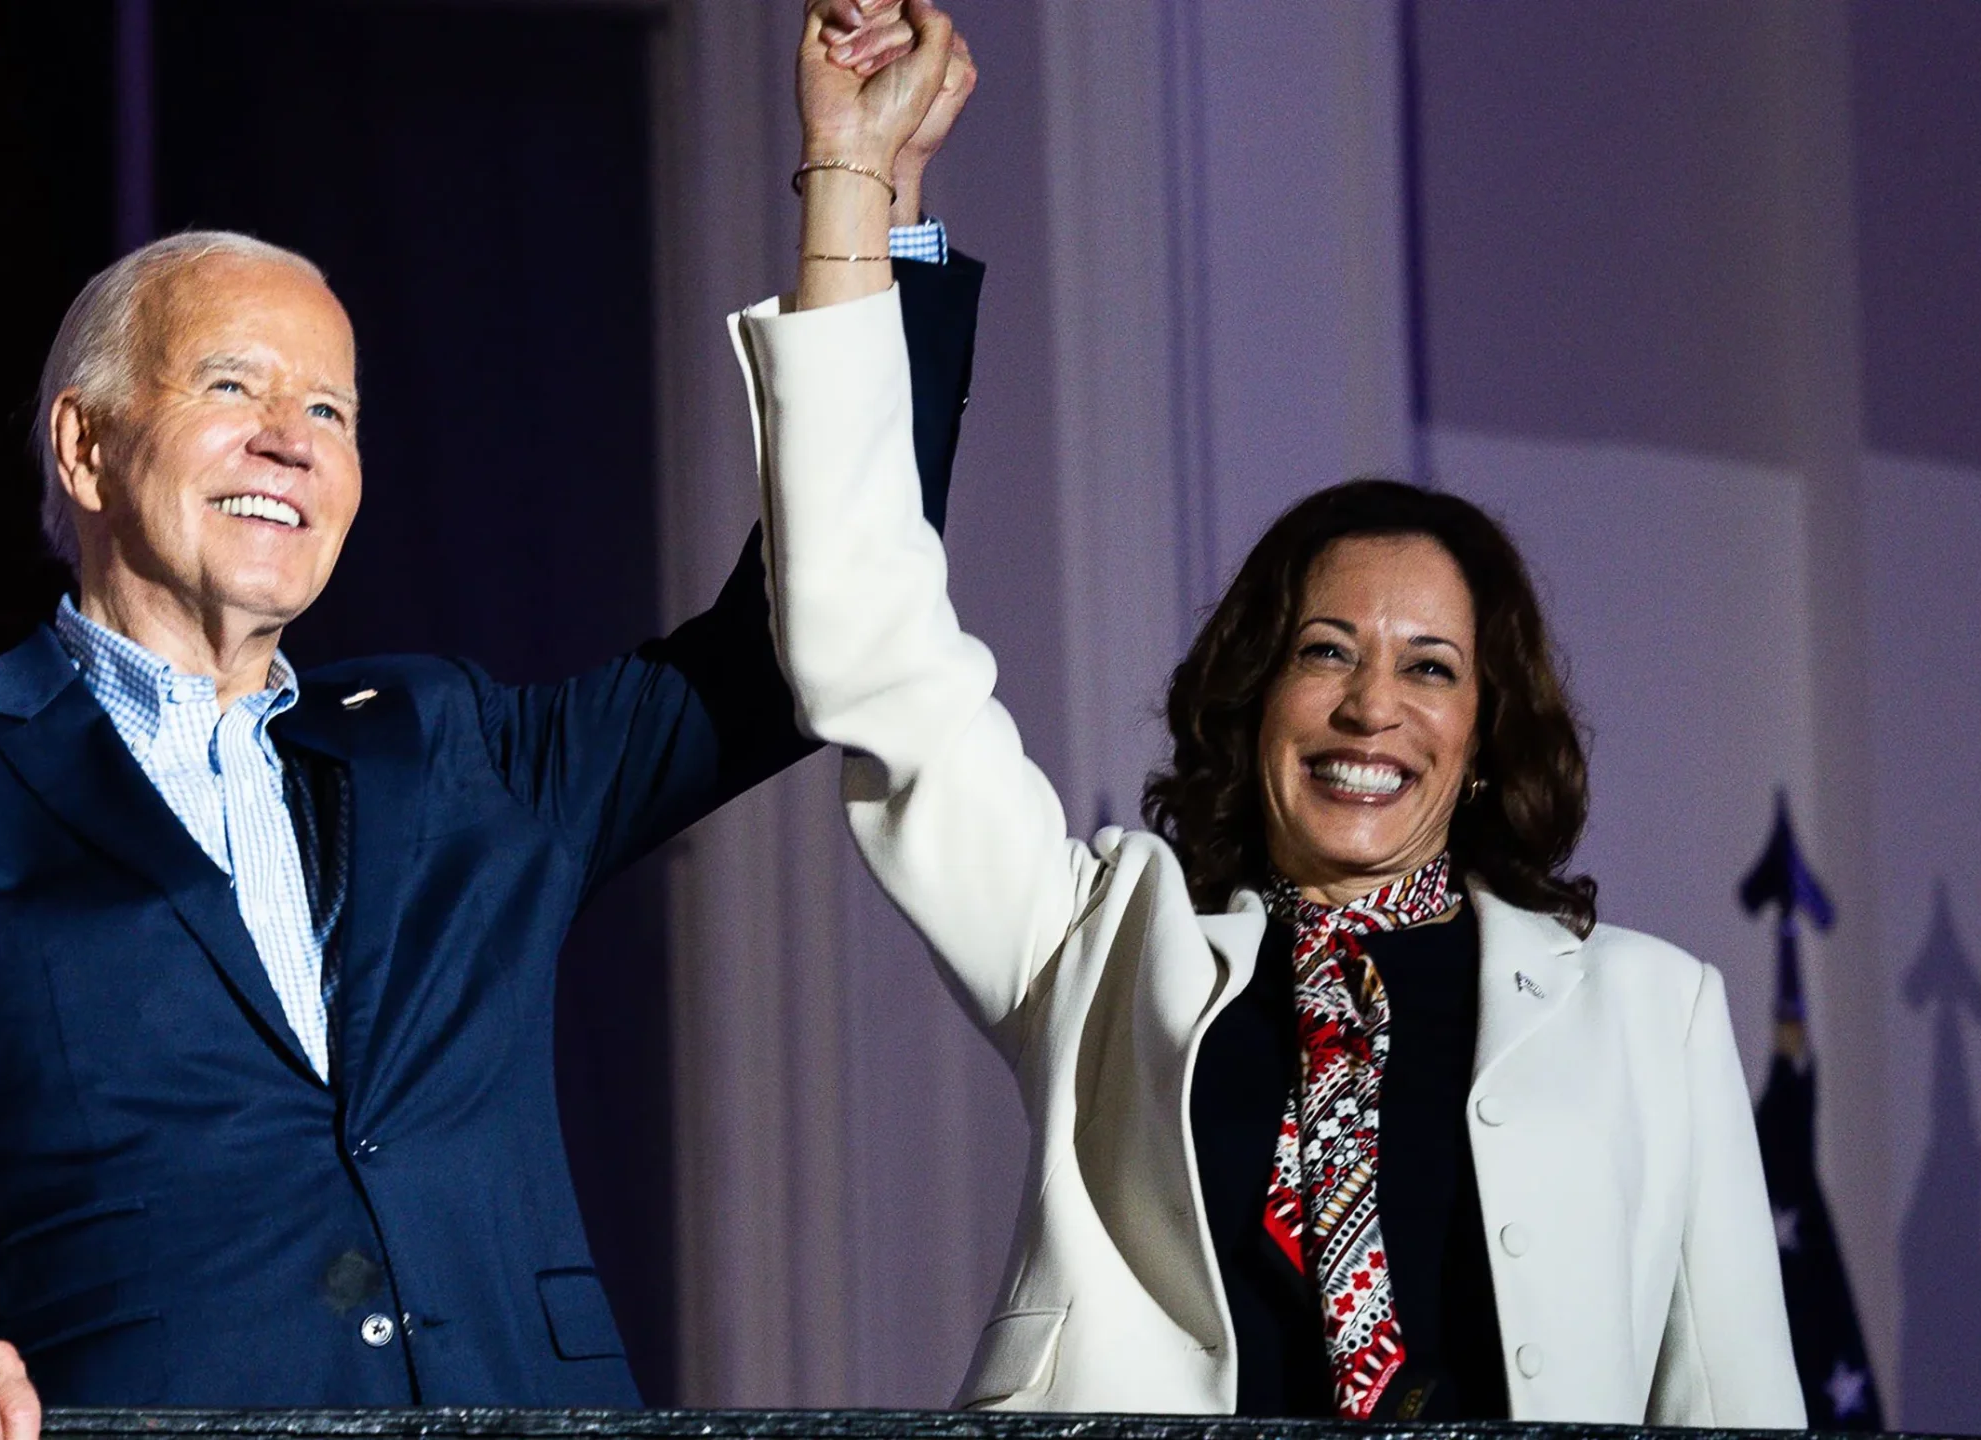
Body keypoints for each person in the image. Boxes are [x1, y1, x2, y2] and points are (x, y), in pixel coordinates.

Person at [0, 6, 977, 1432]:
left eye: (333, 409)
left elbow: (813, 629)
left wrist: (863, 192)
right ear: (85, 445)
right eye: (232, 386)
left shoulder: (452, 747)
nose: (291, 440)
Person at [734, 3, 1807, 1423]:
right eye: (1325, 651)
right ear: (1254, 699)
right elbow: (867, 642)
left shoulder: (1653, 1015)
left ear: (1488, 734)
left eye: (1431, 666)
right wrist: (858, 182)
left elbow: (1737, 1409)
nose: (1374, 706)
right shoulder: (1103, 957)